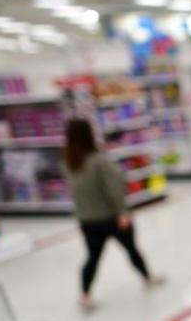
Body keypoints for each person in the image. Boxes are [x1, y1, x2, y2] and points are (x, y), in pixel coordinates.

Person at [62, 119, 162, 310]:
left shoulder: (68, 163)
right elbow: (115, 188)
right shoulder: (98, 160)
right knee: (131, 249)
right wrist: (122, 212)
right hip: (110, 217)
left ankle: (85, 295)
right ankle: (148, 278)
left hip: (87, 220)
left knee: (92, 257)